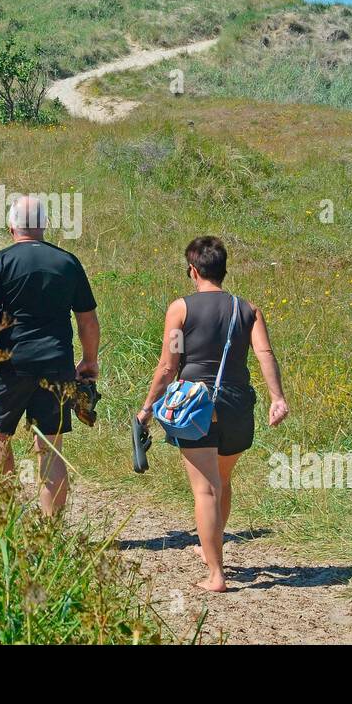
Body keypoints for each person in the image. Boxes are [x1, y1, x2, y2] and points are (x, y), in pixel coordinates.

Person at [135, 236, 289, 593]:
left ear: (193, 270)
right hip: (236, 405)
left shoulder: (180, 309)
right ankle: (212, 551)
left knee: (205, 490)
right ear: (223, 269)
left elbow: (168, 365)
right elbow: (265, 353)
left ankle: (216, 574)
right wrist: (276, 397)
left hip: (196, 405)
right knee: (223, 481)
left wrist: (147, 409)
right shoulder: (247, 308)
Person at [0, 196, 99, 516]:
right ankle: (51, 533)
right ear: (42, 225)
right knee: (51, 449)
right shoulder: (67, 262)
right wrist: (89, 360)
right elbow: (87, 319)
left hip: (8, 366)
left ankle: (4, 519)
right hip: (55, 365)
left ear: (11, 225)